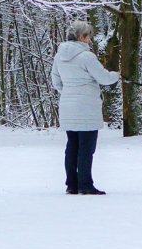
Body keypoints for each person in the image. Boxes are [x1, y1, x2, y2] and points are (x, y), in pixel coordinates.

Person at [51, 20, 120, 195]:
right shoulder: (87, 56)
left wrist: (69, 93)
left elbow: (56, 82)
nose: (90, 40)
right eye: (89, 36)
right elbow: (103, 78)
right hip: (87, 108)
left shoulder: (59, 56)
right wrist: (116, 75)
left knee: (72, 146)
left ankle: (72, 184)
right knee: (86, 149)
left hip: (67, 107)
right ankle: (85, 184)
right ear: (82, 36)